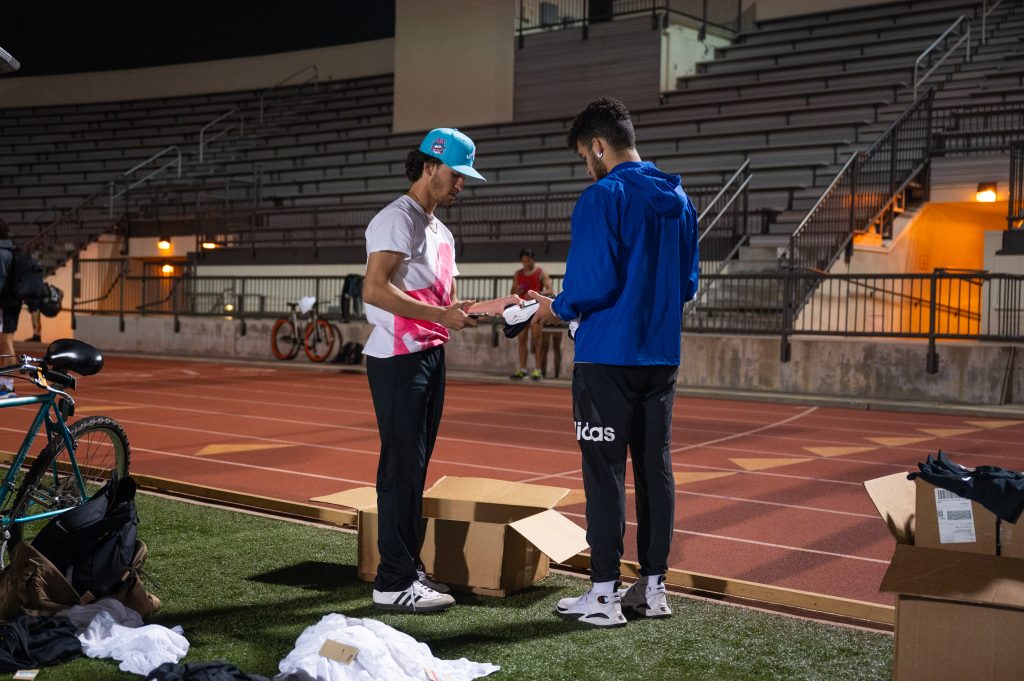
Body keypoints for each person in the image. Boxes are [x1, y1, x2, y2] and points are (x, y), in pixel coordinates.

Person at [529, 97, 699, 627]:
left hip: (607, 358)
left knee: (603, 473)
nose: (587, 165)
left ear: (599, 146)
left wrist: (553, 307)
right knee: (655, 470)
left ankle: (603, 594)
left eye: (585, 155)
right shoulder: (679, 198)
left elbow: (592, 282)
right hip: (661, 356)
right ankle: (652, 588)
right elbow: (688, 283)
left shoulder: (602, 196)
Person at [361, 127, 486, 613]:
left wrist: (463, 311)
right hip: (397, 359)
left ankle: (407, 567)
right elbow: (374, 289)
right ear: (430, 165)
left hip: (429, 355)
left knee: (415, 470)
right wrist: (440, 316)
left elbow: (433, 301)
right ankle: (392, 580)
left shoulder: (440, 230)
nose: (461, 186)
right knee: (400, 470)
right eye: (457, 175)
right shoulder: (398, 219)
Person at [509, 247, 552, 381]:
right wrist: (517, 289)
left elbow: (550, 289)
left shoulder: (541, 272)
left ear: (533, 260)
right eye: (523, 261)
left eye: (528, 261)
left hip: (535, 309)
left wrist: (536, 293)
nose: (526, 264)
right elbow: (512, 291)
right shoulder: (518, 274)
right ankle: (523, 369)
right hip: (522, 309)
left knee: (537, 340)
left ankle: (538, 370)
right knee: (522, 340)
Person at [0, 220, 18, 398]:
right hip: (10, 304)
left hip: (4, 304)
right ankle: (5, 384)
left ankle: (8, 386)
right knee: (4, 344)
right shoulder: (10, 251)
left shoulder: (1, 253)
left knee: (6, 344)